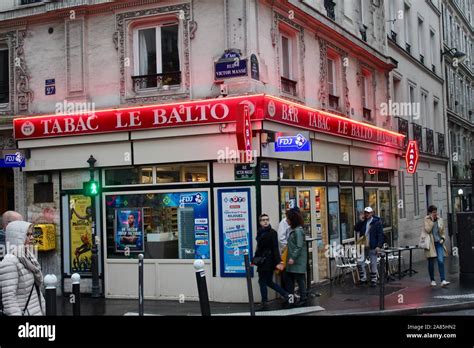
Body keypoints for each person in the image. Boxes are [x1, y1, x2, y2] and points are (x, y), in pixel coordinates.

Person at [0, 221, 45, 315]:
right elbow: (9, 299)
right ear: (18, 238)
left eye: (32, 234)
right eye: (28, 235)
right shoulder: (10, 262)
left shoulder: (28, 257)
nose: (32, 237)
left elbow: (36, 290)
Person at [253, 214, 289, 311]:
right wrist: (254, 259)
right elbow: (259, 248)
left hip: (268, 261)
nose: (265, 221)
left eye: (267, 220)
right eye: (263, 220)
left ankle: (264, 302)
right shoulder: (260, 232)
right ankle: (286, 294)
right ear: (260, 222)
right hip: (262, 261)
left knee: (262, 282)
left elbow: (275, 248)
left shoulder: (272, 233)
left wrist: (279, 261)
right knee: (268, 282)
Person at [355, 207, 384, 287]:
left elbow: (380, 235)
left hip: (372, 245)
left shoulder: (377, 222)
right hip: (363, 245)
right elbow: (356, 229)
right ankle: (363, 278)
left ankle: (373, 280)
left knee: (373, 263)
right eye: (365, 213)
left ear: (372, 213)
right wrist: (360, 221)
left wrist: (379, 246)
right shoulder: (363, 221)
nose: (366, 214)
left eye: (368, 213)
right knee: (360, 262)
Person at [285, 208, 308, 306]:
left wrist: (292, 258)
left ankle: (303, 298)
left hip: (297, 260)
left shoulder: (298, 231)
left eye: (288, 218)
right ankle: (292, 299)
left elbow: (299, 246)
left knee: (300, 279)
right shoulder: (294, 230)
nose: (286, 220)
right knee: (293, 279)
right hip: (293, 260)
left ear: (292, 220)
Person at [424, 205, 449, 287]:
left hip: (439, 242)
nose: (435, 214)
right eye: (433, 212)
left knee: (441, 261)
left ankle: (443, 280)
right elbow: (427, 230)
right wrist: (431, 220)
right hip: (430, 244)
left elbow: (443, 231)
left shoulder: (440, 219)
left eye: (436, 212)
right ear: (430, 213)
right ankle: (432, 280)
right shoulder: (426, 220)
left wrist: (443, 238)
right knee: (431, 263)